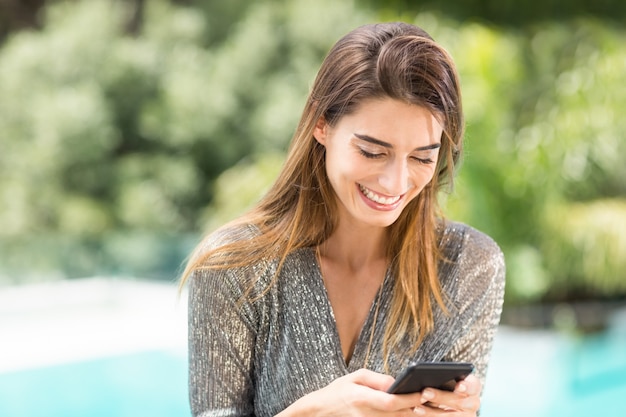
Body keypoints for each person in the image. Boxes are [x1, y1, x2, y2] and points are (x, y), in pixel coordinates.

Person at [180, 21, 505, 417]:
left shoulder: (468, 265)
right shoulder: (234, 267)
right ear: (322, 124)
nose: (396, 182)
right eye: (372, 151)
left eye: (422, 156)